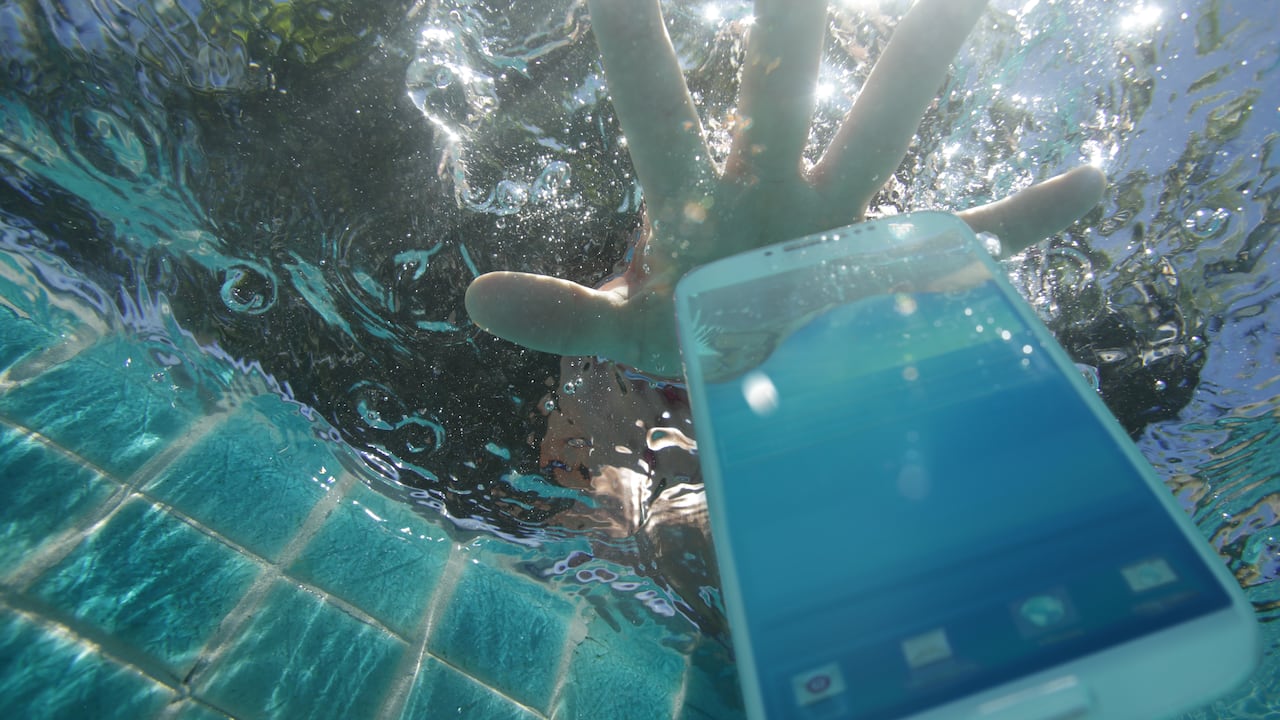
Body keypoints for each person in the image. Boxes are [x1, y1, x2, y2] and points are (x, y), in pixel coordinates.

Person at [468, 0, 1107, 632]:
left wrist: (829, 361)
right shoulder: (612, 386)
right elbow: (605, 535)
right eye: (651, 263)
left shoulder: (873, 353)